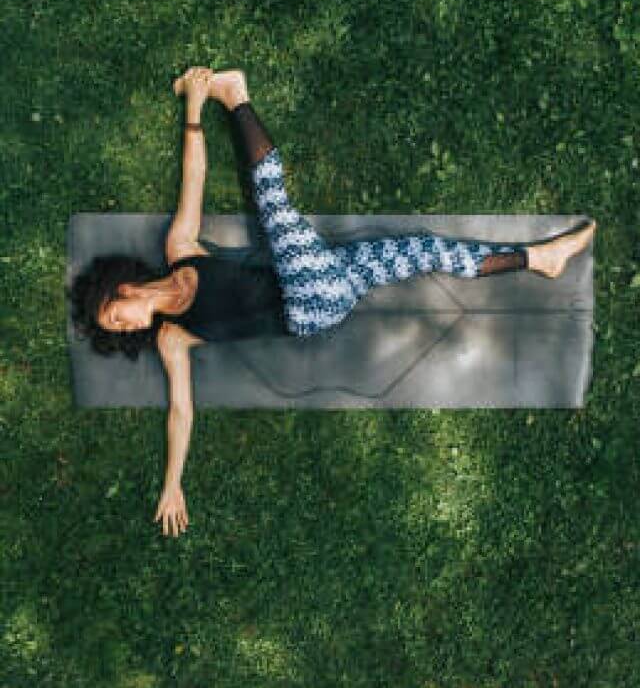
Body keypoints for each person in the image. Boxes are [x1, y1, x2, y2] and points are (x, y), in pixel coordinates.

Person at [67, 67, 597, 537]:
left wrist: (191, 112)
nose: (124, 326)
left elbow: (195, 180)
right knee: (275, 208)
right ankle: (236, 95)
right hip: (311, 308)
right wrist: (172, 484)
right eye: (117, 330)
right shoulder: (172, 337)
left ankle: (538, 260)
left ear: (124, 290)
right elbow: (181, 411)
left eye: (116, 317)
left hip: (326, 273)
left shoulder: (179, 250)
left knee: (426, 250)